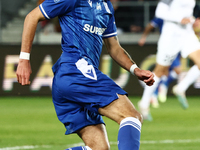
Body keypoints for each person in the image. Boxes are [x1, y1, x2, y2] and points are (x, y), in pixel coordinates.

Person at [16, 0, 155, 150]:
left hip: (71, 80)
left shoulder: (106, 6)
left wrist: (135, 69)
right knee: (131, 116)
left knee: (99, 148)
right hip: (75, 71)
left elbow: (114, 47)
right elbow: (32, 16)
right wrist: (24, 59)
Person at [138, 0, 200, 121]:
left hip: (187, 33)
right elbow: (159, 11)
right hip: (171, 34)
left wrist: (192, 20)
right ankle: (144, 103)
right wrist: (179, 19)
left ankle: (181, 88)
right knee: (160, 71)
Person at [138, 17, 181, 108]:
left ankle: (157, 91)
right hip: (167, 45)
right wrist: (144, 37)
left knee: (164, 72)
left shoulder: (181, 13)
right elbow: (150, 25)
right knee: (167, 71)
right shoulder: (164, 14)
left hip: (178, 44)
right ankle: (154, 93)